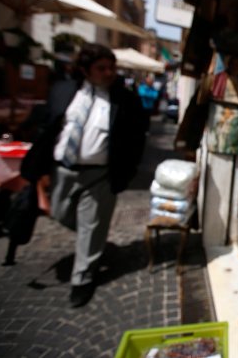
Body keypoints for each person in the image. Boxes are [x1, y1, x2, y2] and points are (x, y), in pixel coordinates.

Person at [21, 43, 145, 307]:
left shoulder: (125, 100)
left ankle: (83, 279)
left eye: (112, 67)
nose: (109, 73)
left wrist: (127, 171)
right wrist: (40, 170)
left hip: (100, 175)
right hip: (62, 170)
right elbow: (48, 127)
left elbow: (136, 139)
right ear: (85, 70)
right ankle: (94, 243)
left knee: (91, 225)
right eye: (101, 68)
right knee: (59, 213)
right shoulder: (63, 91)